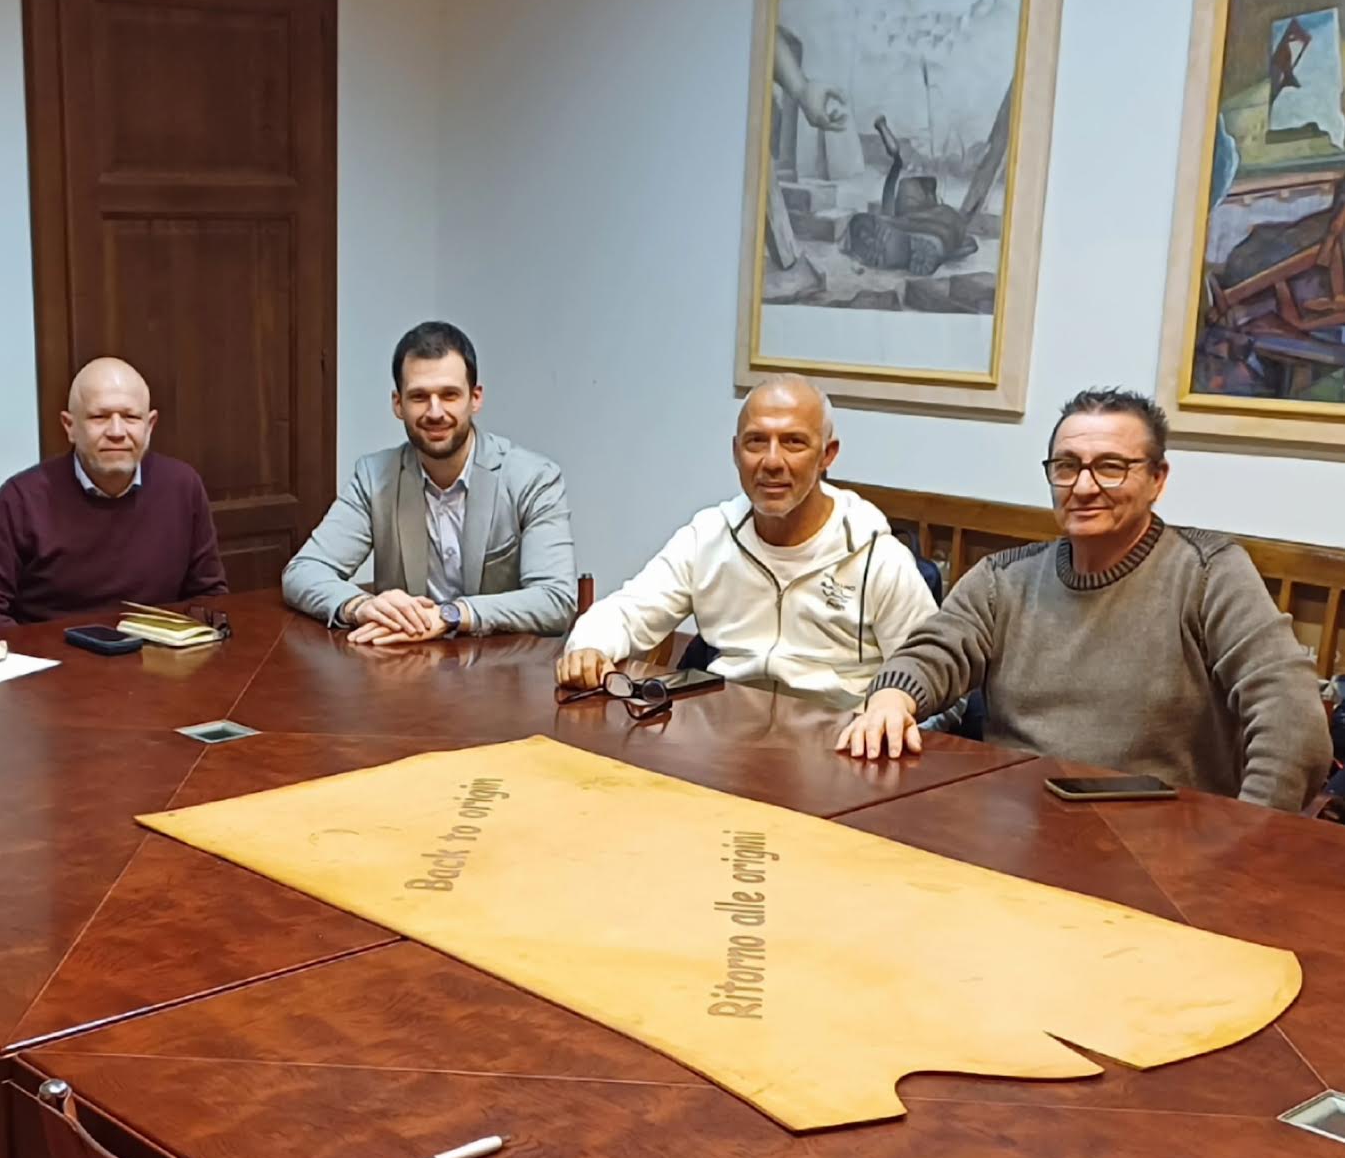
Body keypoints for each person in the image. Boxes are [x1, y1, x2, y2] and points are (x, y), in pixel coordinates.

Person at [837, 388, 1331, 812]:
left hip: (1165, 844)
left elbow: (1294, 724)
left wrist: (1249, 831)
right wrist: (891, 697)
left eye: (1111, 467)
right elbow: (933, 653)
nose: (1084, 487)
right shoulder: (1002, 578)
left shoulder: (1209, 572)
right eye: (1067, 466)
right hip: (1017, 824)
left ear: (1157, 479)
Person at [557, 374, 936, 707]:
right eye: (756, 442)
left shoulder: (876, 555)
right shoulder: (709, 536)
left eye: (793, 442)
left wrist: (888, 717)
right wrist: (589, 646)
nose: (772, 461)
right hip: (726, 734)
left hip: (836, 742)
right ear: (736, 452)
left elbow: (932, 674)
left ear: (827, 455)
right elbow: (626, 612)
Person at [282, 321, 576, 640]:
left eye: (449, 395)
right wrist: (360, 606)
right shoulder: (373, 478)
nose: (435, 412)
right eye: (419, 396)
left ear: (475, 398)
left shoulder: (533, 479)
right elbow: (303, 571)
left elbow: (555, 601)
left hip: (501, 662)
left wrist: (451, 615)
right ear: (398, 404)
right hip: (405, 661)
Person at [0, 358, 225, 630]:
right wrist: (38, 652)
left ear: (150, 425)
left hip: (158, 652)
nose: (117, 432)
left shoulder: (182, 486)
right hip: (52, 653)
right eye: (99, 417)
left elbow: (209, 597)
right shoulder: (22, 498)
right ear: (69, 426)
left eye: (131, 417)